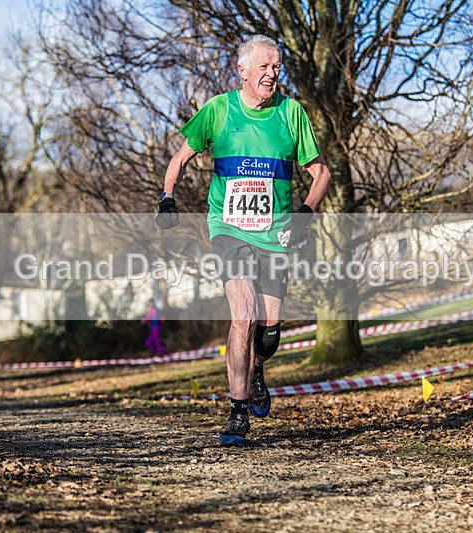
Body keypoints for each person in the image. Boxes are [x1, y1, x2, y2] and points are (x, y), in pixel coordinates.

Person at [155, 35, 331, 447]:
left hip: (275, 234)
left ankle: (256, 370)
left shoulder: (291, 113)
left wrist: (306, 213)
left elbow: (320, 172)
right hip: (228, 229)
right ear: (243, 71)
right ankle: (237, 412)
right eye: (264, 67)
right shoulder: (218, 109)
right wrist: (167, 197)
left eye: (277, 67)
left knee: (268, 337)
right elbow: (180, 157)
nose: (272, 74)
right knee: (243, 315)